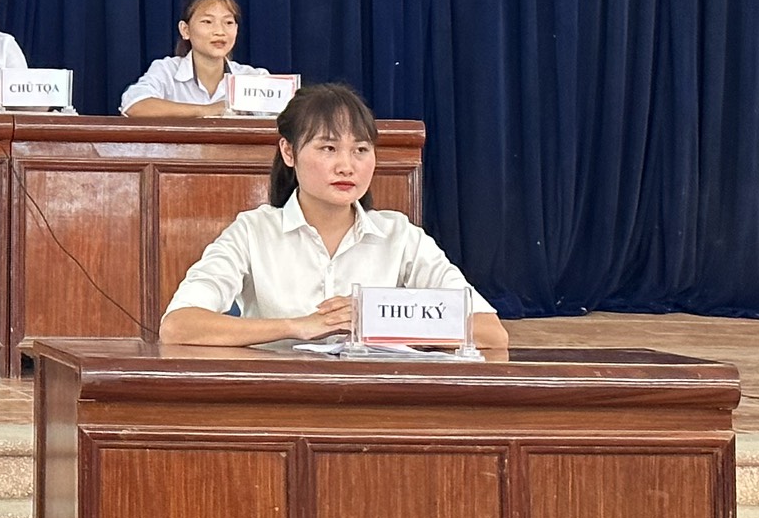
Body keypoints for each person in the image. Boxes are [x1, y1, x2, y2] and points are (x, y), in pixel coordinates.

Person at [159, 81, 508, 349]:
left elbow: (490, 333)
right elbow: (178, 326)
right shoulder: (253, 231)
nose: (346, 166)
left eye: (361, 150)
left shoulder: (400, 236)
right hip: (280, 400)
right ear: (289, 152)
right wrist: (297, 326)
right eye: (328, 148)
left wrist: (378, 319)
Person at [120, 0, 269, 118]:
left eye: (228, 22)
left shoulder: (253, 77)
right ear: (185, 30)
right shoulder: (166, 71)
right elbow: (133, 106)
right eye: (207, 22)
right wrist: (207, 110)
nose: (220, 31)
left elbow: (281, 119)